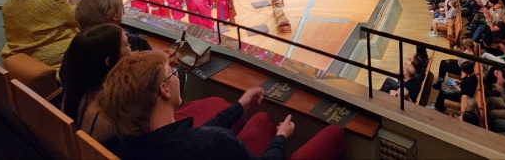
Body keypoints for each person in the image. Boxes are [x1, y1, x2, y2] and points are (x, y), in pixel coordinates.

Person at [99, 51, 346, 160]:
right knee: (335, 134)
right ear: (164, 90)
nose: (175, 74)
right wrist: (281, 138)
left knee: (259, 119)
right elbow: (207, 139)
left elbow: (193, 136)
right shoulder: (214, 143)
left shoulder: (128, 146)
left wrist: (240, 104)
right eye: (171, 72)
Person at [1, 0, 79, 72]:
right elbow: (78, 18)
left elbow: (43, 11)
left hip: (19, 59)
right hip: (49, 62)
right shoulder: (52, 4)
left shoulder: (8, 2)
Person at [62, 24, 132, 142]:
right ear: (109, 61)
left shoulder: (74, 92)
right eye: (126, 45)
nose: (131, 47)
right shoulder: (116, 107)